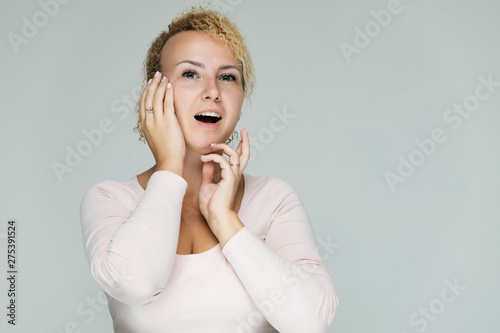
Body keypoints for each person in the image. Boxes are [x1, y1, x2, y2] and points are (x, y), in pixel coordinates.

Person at [79, 6, 338, 332]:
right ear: (155, 93)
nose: (213, 92)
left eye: (228, 77)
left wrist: (223, 219)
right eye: (190, 74)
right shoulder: (110, 199)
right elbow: (135, 284)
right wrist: (170, 167)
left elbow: (310, 322)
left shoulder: (273, 198)